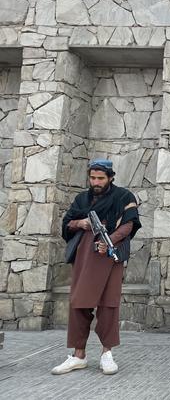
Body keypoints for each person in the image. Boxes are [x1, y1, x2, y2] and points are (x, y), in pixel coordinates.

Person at [51, 159, 141, 375]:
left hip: (110, 255)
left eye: (101, 178)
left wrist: (108, 239)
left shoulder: (123, 196)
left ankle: (106, 355)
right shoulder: (82, 199)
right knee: (78, 302)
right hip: (85, 256)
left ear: (110, 177)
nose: (96, 182)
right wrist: (80, 223)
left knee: (108, 304)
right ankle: (78, 355)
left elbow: (129, 224)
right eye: (93, 177)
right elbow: (68, 223)